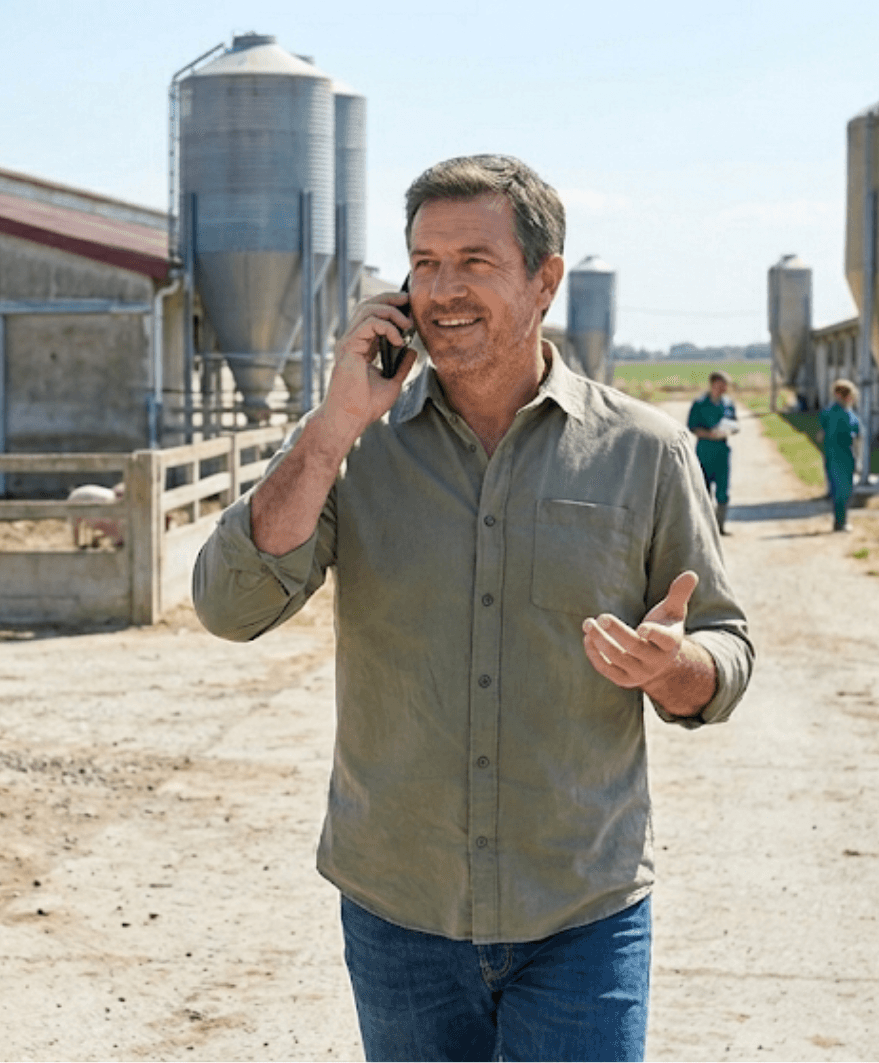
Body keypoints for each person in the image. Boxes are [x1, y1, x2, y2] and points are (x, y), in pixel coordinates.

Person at [192, 154, 754, 1063]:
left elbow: (725, 649)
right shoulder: (353, 448)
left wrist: (676, 669)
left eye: (474, 262)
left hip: (581, 909)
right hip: (400, 909)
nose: (442, 290)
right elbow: (228, 604)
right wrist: (332, 426)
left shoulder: (644, 452)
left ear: (545, 280)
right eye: (424, 263)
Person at [686, 370, 739, 533]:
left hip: (722, 450)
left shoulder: (728, 404)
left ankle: (720, 527)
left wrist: (730, 430)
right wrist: (709, 434)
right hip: (705, 450)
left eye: (726, 386)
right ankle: (704, 529)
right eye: (721, 385)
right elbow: (692, 426)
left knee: (723, 491)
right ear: (713, 384)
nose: (724, 389)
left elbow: (735, 424)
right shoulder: (700, 404)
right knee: (703, 490)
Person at [820, 378, 861, 532]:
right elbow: (854, 433)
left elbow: (821, 433)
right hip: (842, 455)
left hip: (834, 455)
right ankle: (840, 522)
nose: (851, 399)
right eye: (849, 396)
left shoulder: (833, 412)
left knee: (839, 488)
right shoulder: (842, 414)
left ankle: (840, 520)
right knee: (843, 490)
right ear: (840, 395)